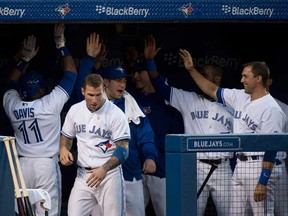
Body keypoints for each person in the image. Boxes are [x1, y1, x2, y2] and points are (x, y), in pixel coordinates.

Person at [177, 49, 284, 215]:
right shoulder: (240, 96)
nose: (241, 80)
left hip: (260, 166)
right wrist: (191, 70)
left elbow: (271, 147)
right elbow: (211, 89)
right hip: (240, 166)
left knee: (262, 214)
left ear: (258, 79)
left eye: (245, 76)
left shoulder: (271, 109)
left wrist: (263, 181)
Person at [143, 35, 234, 216]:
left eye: (204, 75)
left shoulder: (233, 101)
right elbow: (160, 86)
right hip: (196, 167)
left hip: (223, 168)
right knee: (191, 212)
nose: (199, 79)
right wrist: (150, 61)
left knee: (230, 213)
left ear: (218, 78)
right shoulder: (189, 99)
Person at [74, 33, 158, 216]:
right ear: (106, 83)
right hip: (100, 179)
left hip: (130, 177)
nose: (123, 84)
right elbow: (80, 85)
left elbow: (145, 135)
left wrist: (150, 156)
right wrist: (89, 59)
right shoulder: (92, 105)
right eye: (118, 80)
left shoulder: (132, 105)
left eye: (124, 80)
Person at [2, 23, 77, 216]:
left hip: (22, 167)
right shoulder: (48, 104)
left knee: (22, 213)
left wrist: (24, 60)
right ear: (42, 90)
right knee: (47, 213)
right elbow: (71, 75)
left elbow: (10, 83)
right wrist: (61, 46)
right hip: (45, 166)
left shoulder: (13, 105)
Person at [59, 73, 131, 216]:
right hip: (83, 175)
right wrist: (63, 149)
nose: (95, 100)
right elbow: (66, 137)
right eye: (91, 95)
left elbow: (123, 150)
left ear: (103, 90)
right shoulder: (75, 110)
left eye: (98, 95)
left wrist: (104, 169)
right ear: (83, 91)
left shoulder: (116, 114)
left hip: (109, 176)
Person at [129, 60, 184, 216]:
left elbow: (177, 139)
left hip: (162, 170)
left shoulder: (169, 102)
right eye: (134, 72)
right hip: (136, 170)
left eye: (140, 72)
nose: (135, 76)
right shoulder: (132, 99)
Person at [267, 77, 288, 216]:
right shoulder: (244, 107)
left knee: (282, 211)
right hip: (252, 166)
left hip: (278, 165)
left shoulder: (284, 108)